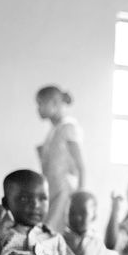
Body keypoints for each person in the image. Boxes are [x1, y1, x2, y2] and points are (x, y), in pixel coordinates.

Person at [36, 85, 85, 232]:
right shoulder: (54, 129)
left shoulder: (68, 127)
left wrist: (80, 198)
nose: (38, 109)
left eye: (41, 104)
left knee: (56, 232)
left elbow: (80, 165)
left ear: (55, 103)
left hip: (64, 190)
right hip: (53, 188)